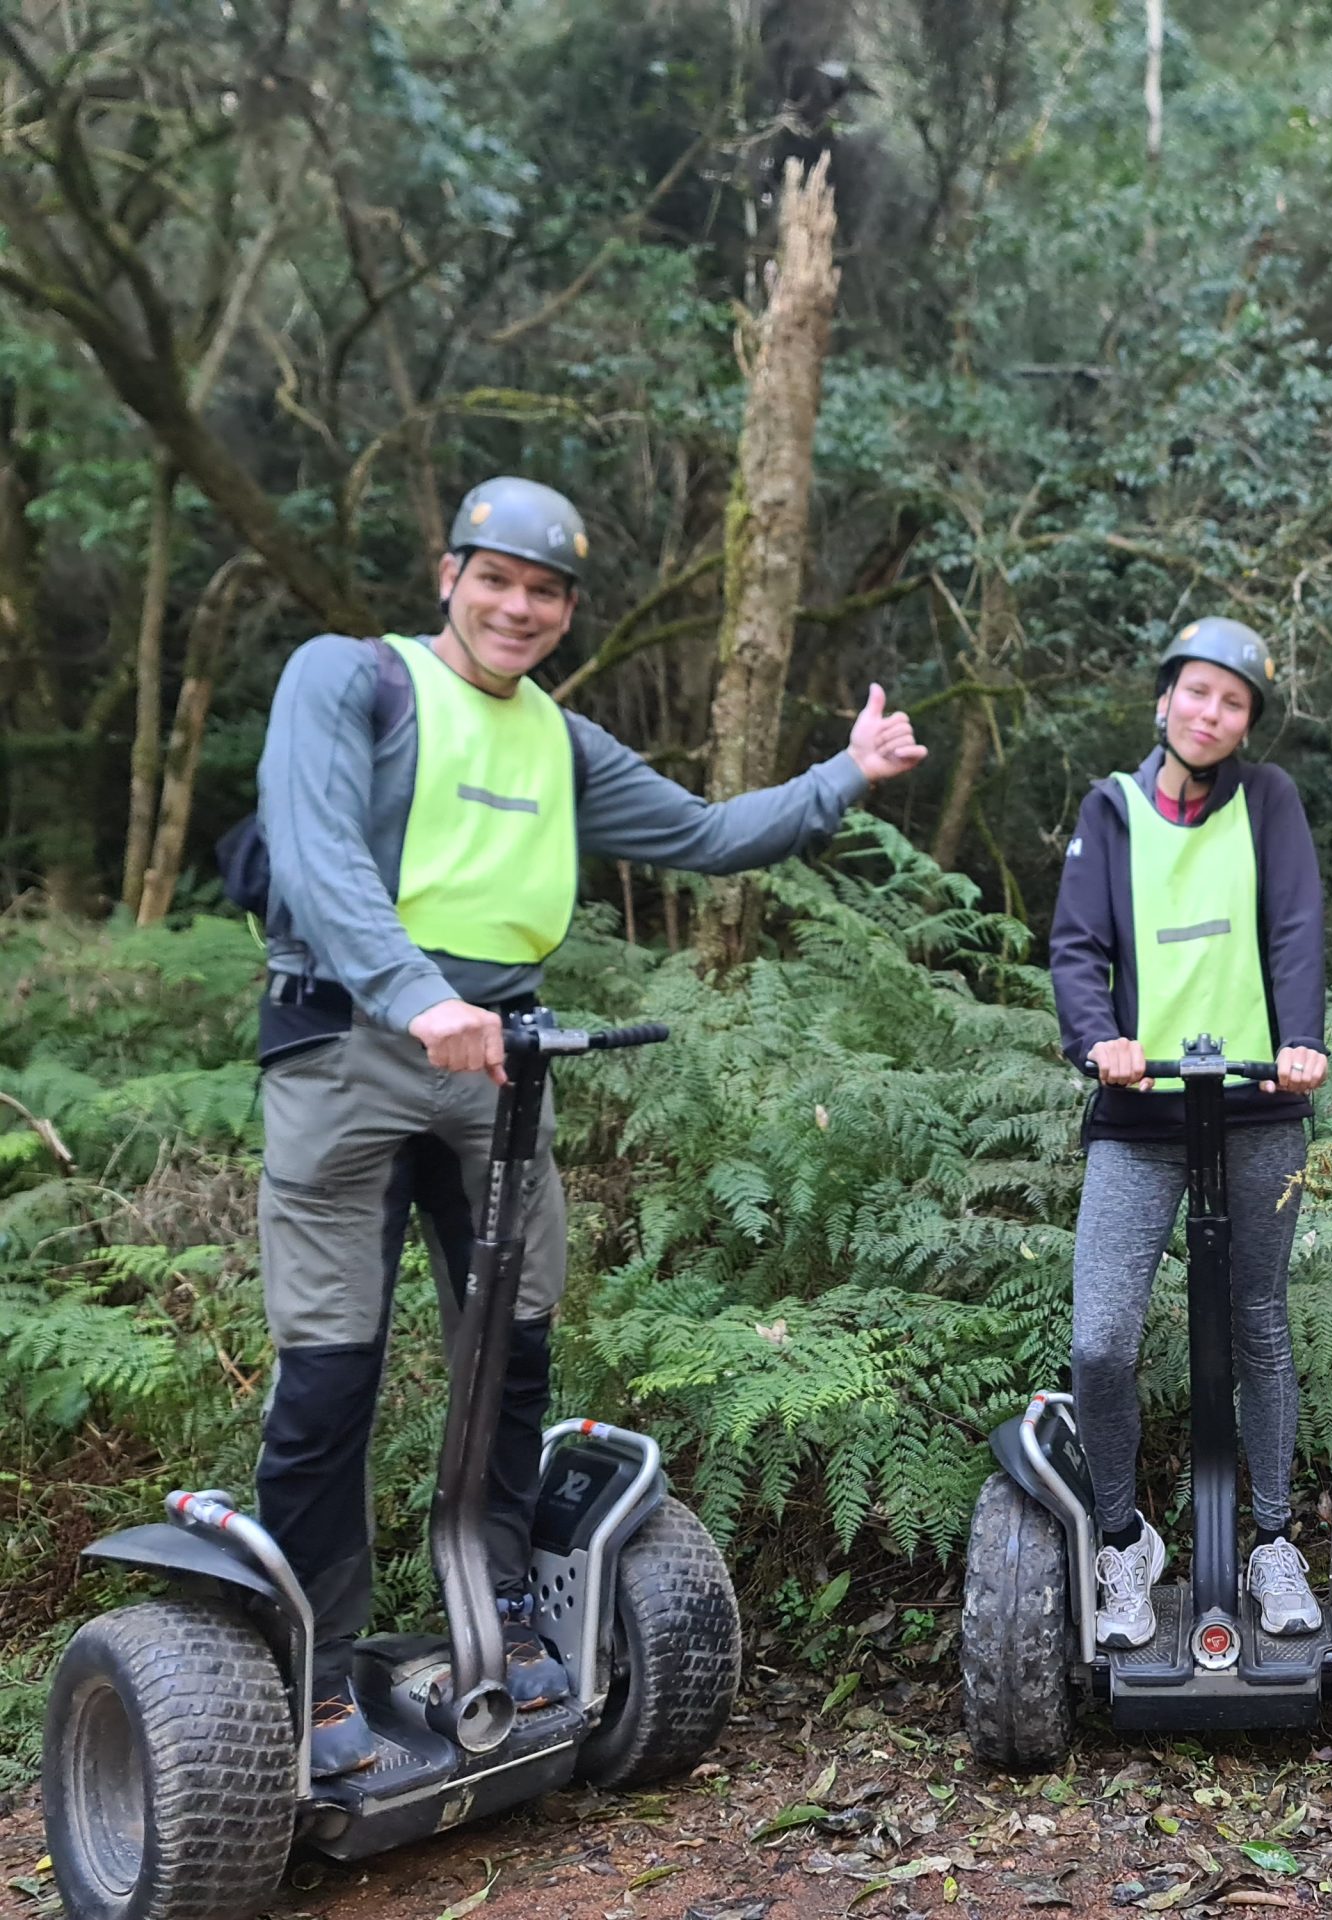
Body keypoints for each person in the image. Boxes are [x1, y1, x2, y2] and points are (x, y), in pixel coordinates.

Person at [253, 477, 928, 1775]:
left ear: (566, 611)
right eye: (496, 578)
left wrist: (846, 772)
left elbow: (704, 833)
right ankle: (318, 1675)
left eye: (546, 590)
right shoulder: (351, 681)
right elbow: (315, 850)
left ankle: (496, 1611)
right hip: (348, 1048)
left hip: (499, 1066)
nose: (519, 606)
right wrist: (415, 996)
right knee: (334, 1370)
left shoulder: (557, 745)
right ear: (449, 574)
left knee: (516, 1352)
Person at [1048, 617, 1329, 1649]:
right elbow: (1077, 946)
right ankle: (1123, 1541)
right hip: (1140, 1111)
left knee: (1257, 1321)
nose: (1211, 714)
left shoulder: (1269, 803)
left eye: (1234, 701)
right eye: (1196, 693)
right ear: (1164, 699)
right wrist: (1099, 1040)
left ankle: (1268, 1541)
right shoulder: (1111, 810)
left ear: (1248, 719)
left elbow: (1296, 927)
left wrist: (1301, 1041)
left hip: (1258, 1104)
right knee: (1100, 1338)